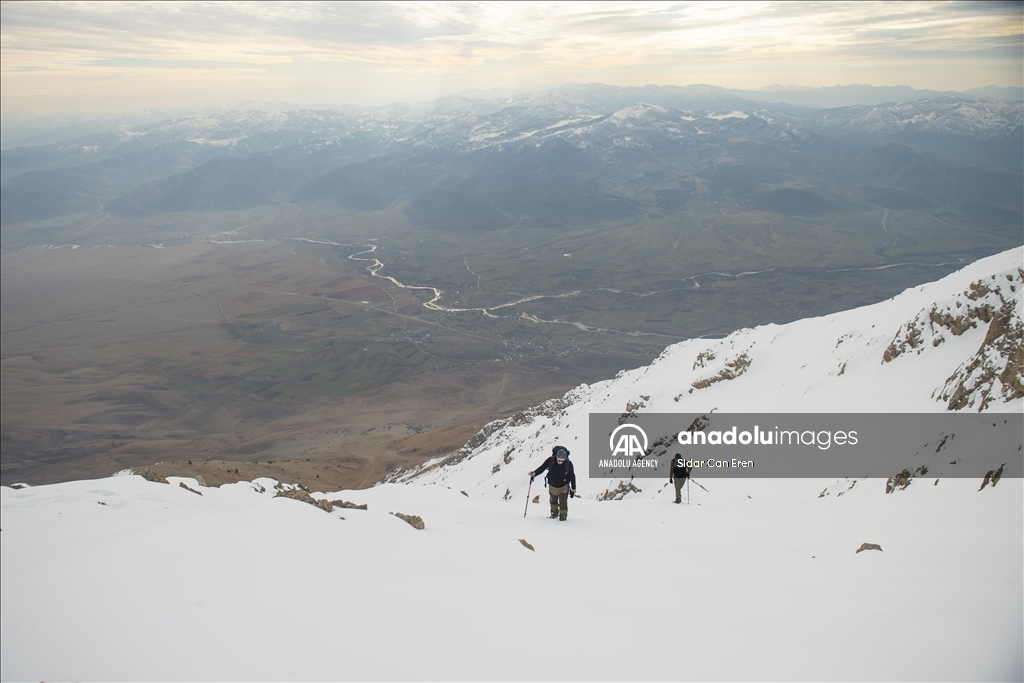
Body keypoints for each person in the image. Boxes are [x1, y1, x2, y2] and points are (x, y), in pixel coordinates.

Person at [529, 445, 576, 521]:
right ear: (556, 457)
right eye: (559, 460)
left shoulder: (568, 464)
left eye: (562, 461)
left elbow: (572, 475)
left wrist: (573, 488)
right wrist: (535, 473)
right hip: (552, 486)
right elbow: (542, 468)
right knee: (553, 501)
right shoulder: (551, 461)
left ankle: (563, 518)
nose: (560, 462)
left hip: (564, 487)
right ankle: (554, 515)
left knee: (563, 503)